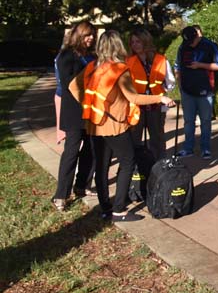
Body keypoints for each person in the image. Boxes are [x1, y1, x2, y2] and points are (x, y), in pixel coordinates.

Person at [69, 30, 175, 222]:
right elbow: (133, 97)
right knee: (128, 161)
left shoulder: (93, 66)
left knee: (102, 166)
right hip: (114, 125)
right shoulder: (120, 69)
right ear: (118, 46)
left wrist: (89, 105)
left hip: (94, 124)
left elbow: (73, 87)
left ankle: (105, 208)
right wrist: (161, 97)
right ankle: (119, 209)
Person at [51, 21, 97, 212]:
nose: (91, 38)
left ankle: (81, 185)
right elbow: (69, 85)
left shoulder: (93, 56)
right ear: (78, 35)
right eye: (88, 35)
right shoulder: (66, 56)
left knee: (91, 149)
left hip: (92, 109)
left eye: (93, 35)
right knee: (71, 152)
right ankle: (61, 194)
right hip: (74, 110)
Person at [126, 28, 176, 160]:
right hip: (136, 106)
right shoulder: (128, 61)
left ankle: (159, 167)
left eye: (138, 41)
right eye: (132, 42)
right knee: (135, 139)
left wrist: (162, 91)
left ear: (146, 42)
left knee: (157, 139)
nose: (135, 45)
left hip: (156, 106)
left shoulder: (161, 60)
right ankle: (136, 170)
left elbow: (170, 82)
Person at [175, 25, 218, 159]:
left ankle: (205, 148)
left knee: (206, 121)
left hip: (205, 89)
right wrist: (180, 86)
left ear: (197, 36)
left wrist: (200, 65)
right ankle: (188, 148)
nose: (190, 43)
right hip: (187, 90)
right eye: (187, 41)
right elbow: (178, 66)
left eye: (192, 40)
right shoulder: (183, 46)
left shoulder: (209, 46)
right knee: (188, 121)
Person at [192, 24, 218, 120]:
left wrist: (200, 65)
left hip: (207, 76)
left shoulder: (209, 45)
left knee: (207, 96)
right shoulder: (187, 46)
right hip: (194, 79)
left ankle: (207, 114)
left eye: (198, 32)